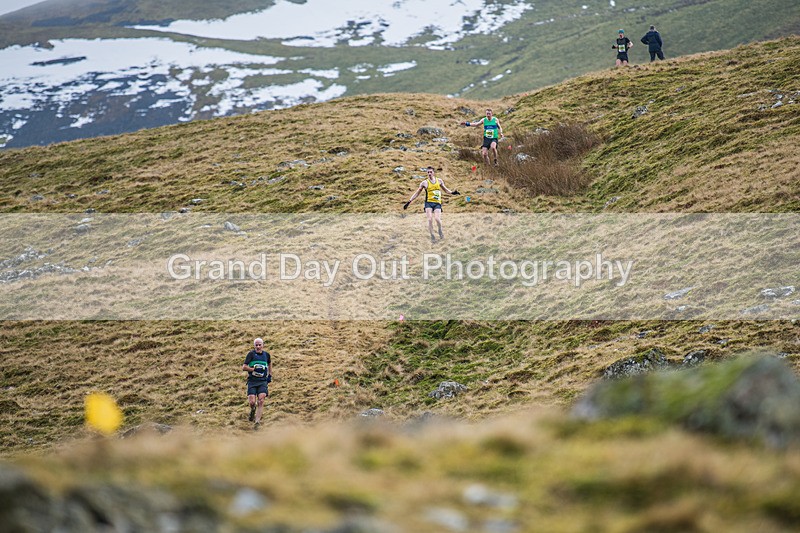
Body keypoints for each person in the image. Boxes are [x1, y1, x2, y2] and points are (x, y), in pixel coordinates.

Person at [403, 166, 460, 243]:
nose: (429, 173)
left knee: (437, 219)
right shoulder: (424, 183)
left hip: (437, 203)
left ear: (433, 172)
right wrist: (409, 201)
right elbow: (417, 193)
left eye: (431, 172)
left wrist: (453, 192)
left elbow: (446, 190)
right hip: (428, 203)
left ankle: (440, 230)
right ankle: (432, 236)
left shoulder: (439, 181)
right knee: (430, 219)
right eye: (428, 172)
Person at [242, 337, 272, 429]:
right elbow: (244, 367)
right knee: (252, 402)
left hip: (262, 381)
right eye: (256, 345)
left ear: (263, 345)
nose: (258, 347)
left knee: (261, 401)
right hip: (252, 381)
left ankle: (257, 422)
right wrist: (253, 369)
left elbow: (269, 363)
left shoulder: (267, 355)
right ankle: (252, 410)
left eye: (260, 345)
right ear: (254, 346)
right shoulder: (251, 354)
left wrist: (270, 375)